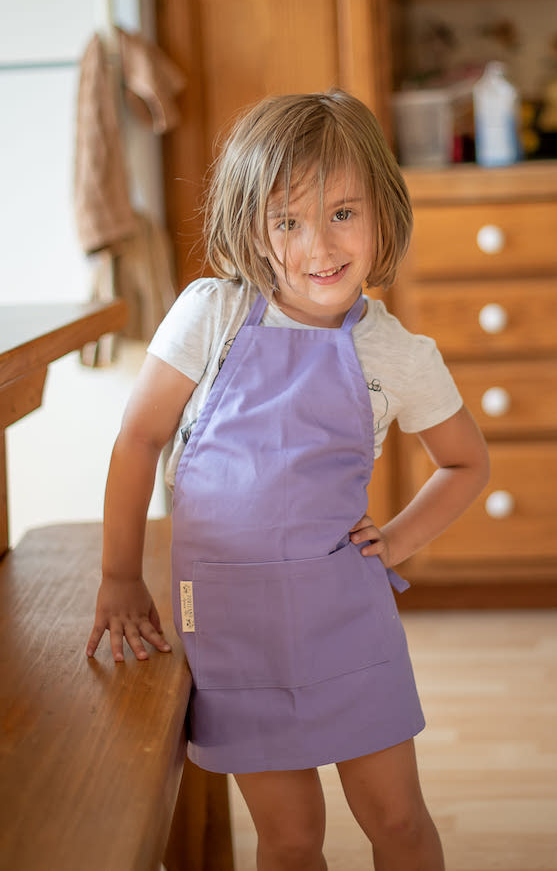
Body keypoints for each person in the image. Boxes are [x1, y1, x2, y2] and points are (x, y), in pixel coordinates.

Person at [87, 89, 490, 871]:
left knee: (399, 822)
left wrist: (403, 534)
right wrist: (117, 574)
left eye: (343, 212)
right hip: (234, 636)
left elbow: (467, 460)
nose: (320, 246)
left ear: (383, 209)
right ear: (253, 227)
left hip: (347, 624)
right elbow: (138, 440)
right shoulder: (210, 315)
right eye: (288, 220)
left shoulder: (396, 352)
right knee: (291, 836)